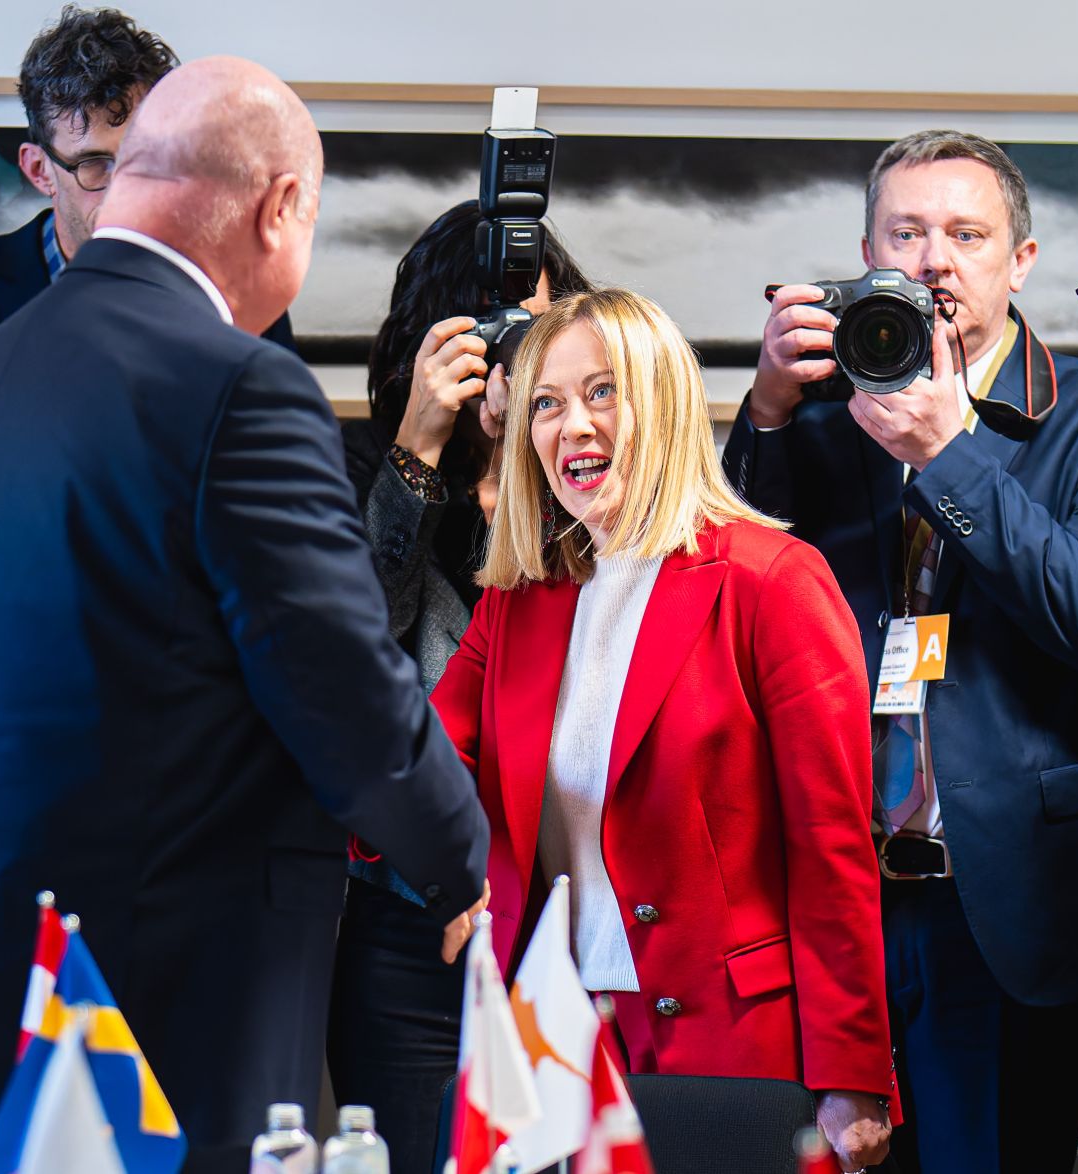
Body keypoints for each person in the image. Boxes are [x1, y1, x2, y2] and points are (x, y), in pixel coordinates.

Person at [0, 57, 489, 1173]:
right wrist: (464, 863)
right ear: (279, 205)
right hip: (130, 1015)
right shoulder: (239, 384)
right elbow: (344, 690)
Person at [720, 130, 1078, 1173]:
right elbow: (734, 587)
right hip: (835, 894)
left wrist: (942, 450)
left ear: (1017, 260)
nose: (933, 261)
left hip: (1002, 890)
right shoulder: (829, 411)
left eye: (965, 234)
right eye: (905, 233)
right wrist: (769, 413)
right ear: (866, 251)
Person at [431, 286, 893, 1172]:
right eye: (547, 404)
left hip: (737, 1052)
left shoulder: (773, 581)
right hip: (555, 1041)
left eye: (603, 392)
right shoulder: (518, 603)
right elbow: (421, 768)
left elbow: (833, 848)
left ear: (666, 402)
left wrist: (853, 1071)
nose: (574, 427)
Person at [329, 200, 592, 1173]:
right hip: (401, 904)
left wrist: (524, 454)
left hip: (564, 893)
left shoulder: (582, 459)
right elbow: (357, 639)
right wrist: (421, 445)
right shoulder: (363, 460)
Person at [0, 7, 293, 379]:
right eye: (94, 164)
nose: (128, 188)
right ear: (39, 171)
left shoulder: (245, 292)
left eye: (145, 156)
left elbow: (278, 457)